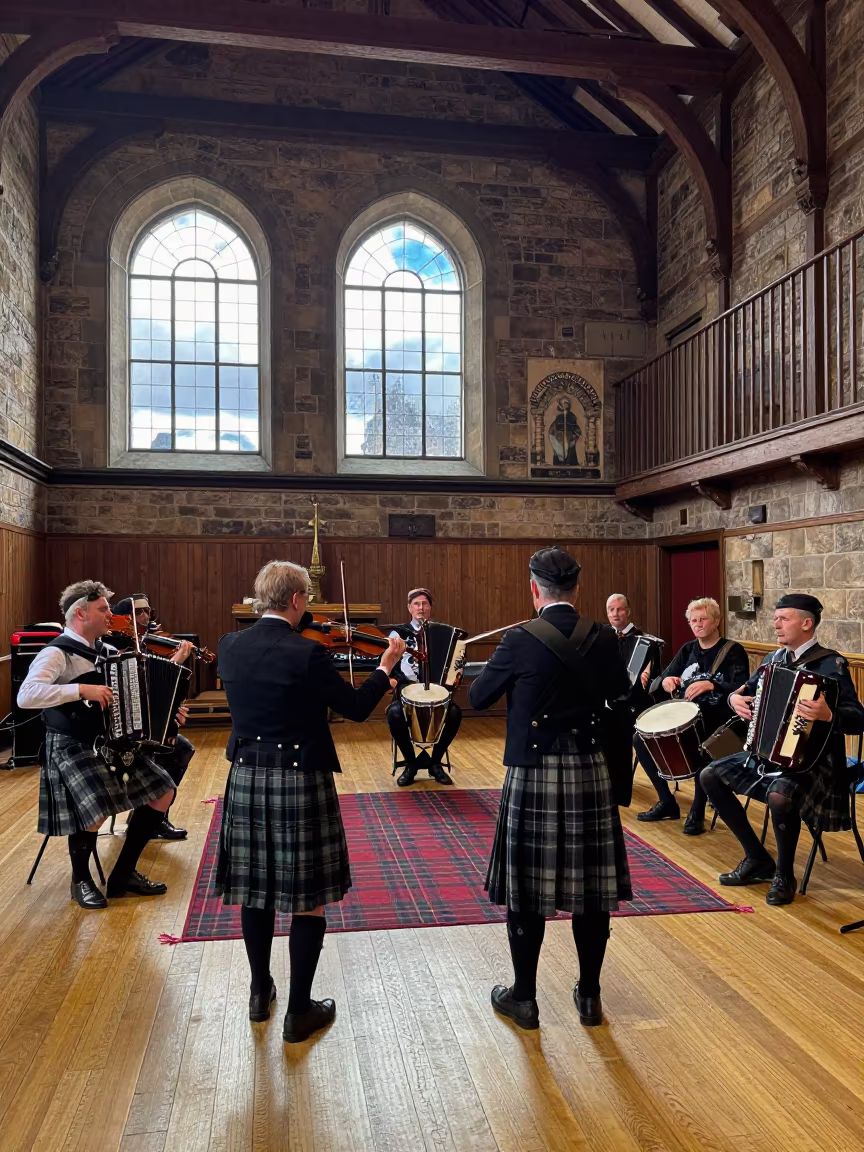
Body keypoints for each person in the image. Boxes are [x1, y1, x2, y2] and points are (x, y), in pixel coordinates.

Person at [216, 560, 405, 1042]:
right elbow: (358, 710)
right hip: (298, 779)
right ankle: (299, 1012)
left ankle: (261, 992)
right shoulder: (307, 654)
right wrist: (384, 669)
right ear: (298, 600)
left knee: (253, 890)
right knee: (309, 899)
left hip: (245, 776)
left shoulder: (230, 646)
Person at [469, 547, 632, 1030]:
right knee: (591, 887)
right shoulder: (603, 637)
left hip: (533, 770)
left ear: (534, 590)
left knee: (528, 885)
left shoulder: (518, 639)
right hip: (589, 768)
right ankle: (590, 995)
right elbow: (619, 699)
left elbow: (478, 699)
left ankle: (524, 998)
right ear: (578, 590)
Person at [17, 580, 190, 910]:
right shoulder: (56, 653)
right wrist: (80, 690)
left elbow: (139, 699)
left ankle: (123, 873)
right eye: (104, 609)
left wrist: (169, 715)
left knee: (164, 792)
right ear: (81, 613)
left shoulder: (109, 652)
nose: (111, 614)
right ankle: (80, 879)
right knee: (95, 808)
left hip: (110, 742)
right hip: (71, 744)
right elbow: (26, 696)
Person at [701, 594, 864, 906]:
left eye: (783, 618)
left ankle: (784, 875)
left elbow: (858, 719)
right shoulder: (772, 660)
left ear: (807, 623)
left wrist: (828, 715)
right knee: (710, 775)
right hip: (767, 755)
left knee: (781, 794)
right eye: (775, 618)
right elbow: (741, 692)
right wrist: (733, 699)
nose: (775, 624)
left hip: (816, 764)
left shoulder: (831, 664)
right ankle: (757, 857)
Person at [634, 598, 749, 835]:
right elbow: (663, 678)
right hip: (687, 718)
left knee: (702, 746)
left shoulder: (732, 650)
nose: (697, 624)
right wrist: (667, 680)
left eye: (703, 619)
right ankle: (666, 801)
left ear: (716, 621)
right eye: (693, 621)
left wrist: (712, 684)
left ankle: (697, 811)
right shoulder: (688, 649)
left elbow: (742, 687)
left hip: (719, 722)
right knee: (639, 739)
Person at [111, 592, 194, 842]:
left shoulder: (144, 644)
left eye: (147, 611)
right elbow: (135, 687)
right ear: (123, 617)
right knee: (169, 751)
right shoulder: (115, 646)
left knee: (180, 748)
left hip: (143, 725)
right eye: (138, 612)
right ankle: (148, 818)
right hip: (120, 731)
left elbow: (159, 691)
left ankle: (155, 816)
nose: (145, 616)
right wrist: (176, 660)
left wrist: (173, 710)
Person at [386, 587, 461, 786]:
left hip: (436, 692)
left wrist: (456, 674)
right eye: (416, 604)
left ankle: (435, 763)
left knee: (454, 714)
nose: (421, 607)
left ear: (430, 608)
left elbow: (454, 664)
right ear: (409, 608)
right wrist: (392, 678)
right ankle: (411, 763)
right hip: (406, 689)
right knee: (394, 714)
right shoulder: (399, 634)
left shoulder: (444, 633)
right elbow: (386, 661)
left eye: (425, 603)